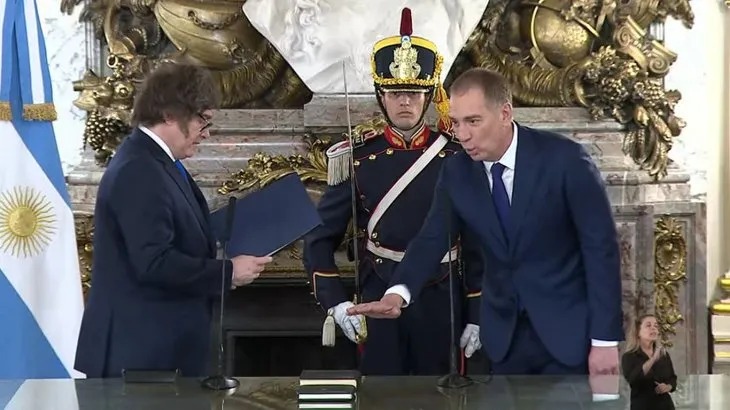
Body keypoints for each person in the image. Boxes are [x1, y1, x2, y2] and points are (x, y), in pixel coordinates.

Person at [348, 67, 624, 377]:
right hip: (503, 341)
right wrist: (398, 293)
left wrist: (605, 340)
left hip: (569, 337)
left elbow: (600, 251)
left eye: (473, 121)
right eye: (456, 122)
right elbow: (432, 238)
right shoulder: (457, 171)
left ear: (505, 113)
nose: (462, 135)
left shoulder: (565, 160)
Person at [303, 8, 483, 375]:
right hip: (377, 294)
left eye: (414, 93)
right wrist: (336, 303)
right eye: (396, 92)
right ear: (380, 96)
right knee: (380, 393)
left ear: (429, 97)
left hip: (441, 297)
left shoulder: (458, 157)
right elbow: (319, 239)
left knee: (442, 395)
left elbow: (478, 244)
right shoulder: (356, 159)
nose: (405, 101)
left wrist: (478, 312)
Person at [74, 63, 273, 378]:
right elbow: (153, 262)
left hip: (157, 351)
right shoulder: (139, 170)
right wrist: (228, 271)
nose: (206, 133)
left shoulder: (156, 161)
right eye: (201, 120)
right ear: (169, 114)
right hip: (141, 358)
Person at [621, 314, 677, 410]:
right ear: (638, 332)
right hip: (642, 406)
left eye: (656, 326)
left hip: (665, 406)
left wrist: (668, 387)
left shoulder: (663, 355)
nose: (653, 328)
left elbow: (672, 378)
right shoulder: (629, 356)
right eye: (648, 325)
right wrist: (653, 359)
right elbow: (633, 379)